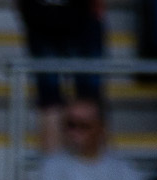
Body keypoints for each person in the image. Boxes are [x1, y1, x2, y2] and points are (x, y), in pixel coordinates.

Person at [17, 0, 105, 153]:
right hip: (44, 16)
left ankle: (92, 172)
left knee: (85, 101)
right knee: (53, 102)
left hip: (74, 15)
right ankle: (55, 172)